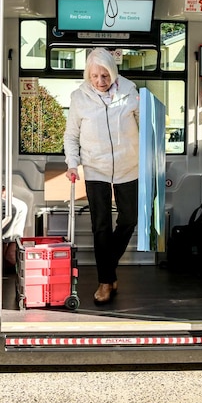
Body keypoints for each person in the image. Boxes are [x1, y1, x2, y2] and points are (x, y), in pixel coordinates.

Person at [64, 48, 139, 304]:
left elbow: (146, 127)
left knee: (130, 219)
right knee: (101, 227)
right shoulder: (79, 98)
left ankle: (108, 268)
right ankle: (106, 282)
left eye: (105, 75)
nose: (100, 81)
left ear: (113, 71)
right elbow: (71, 135)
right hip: (96, 169)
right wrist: (72, 164)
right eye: (95, 75)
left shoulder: (131, 93)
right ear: (88, 75)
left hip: (129, 167)